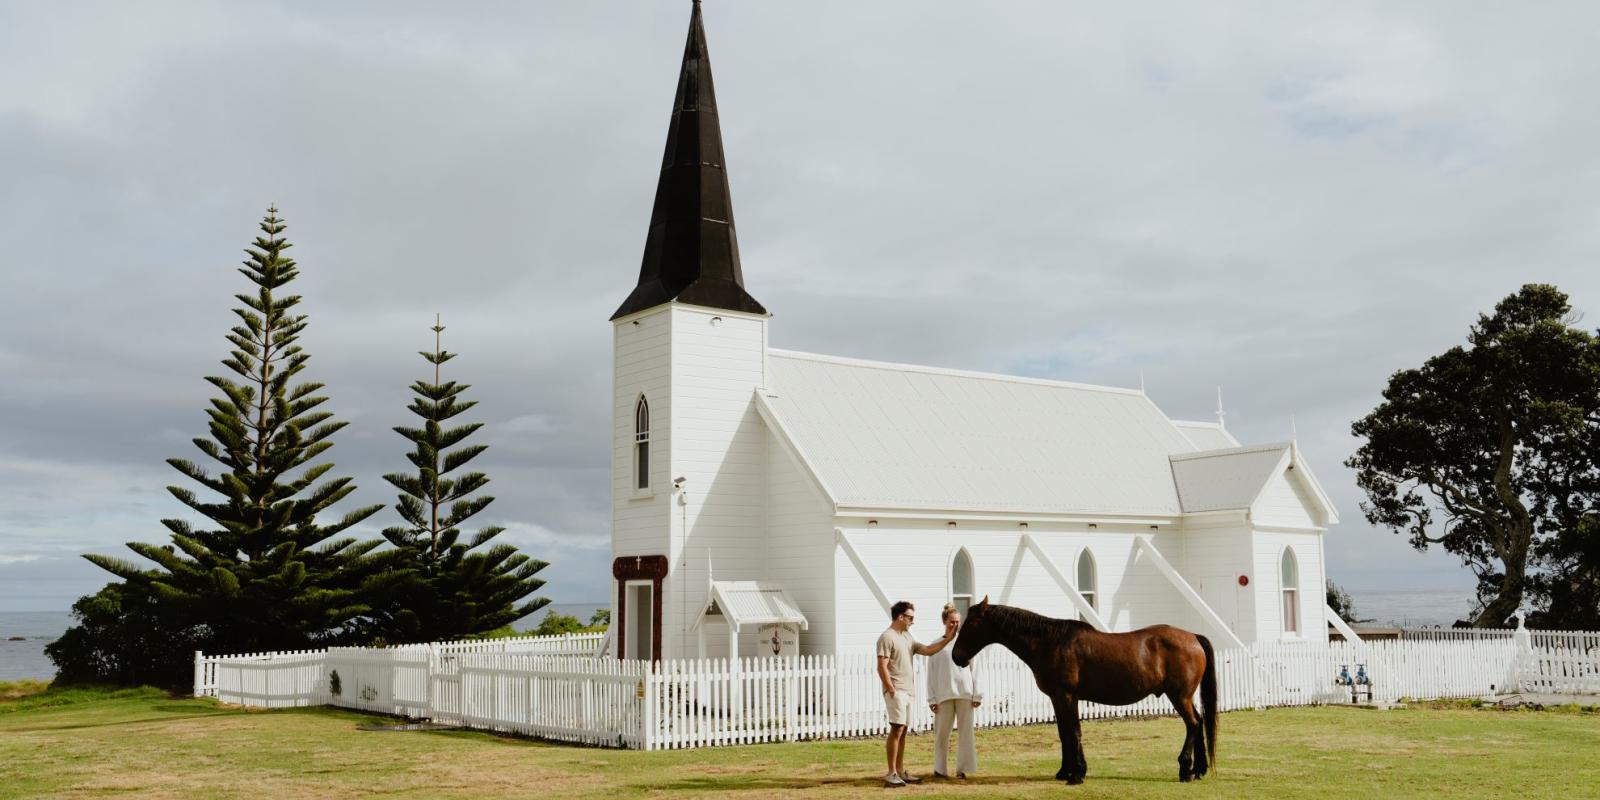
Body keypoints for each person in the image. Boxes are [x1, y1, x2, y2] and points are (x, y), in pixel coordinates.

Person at [876, 600, 951, 788]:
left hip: (908, 691)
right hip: (896, 691)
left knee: (903, 731)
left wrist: (948, 639)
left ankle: (900, 771)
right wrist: (890, 688)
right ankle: (891, 773)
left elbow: (927, 650)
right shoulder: (887, 637)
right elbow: (881, 666)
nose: (912, 621)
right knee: (897, 729)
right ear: (900, 617)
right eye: (910, 618)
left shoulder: (907, 637)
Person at [926, 603, 982, 779]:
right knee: (942, 734)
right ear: (944, 621)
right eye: (952, 622)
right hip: (944, 695)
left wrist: (977, 694)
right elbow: (931, 673)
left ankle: (962, 770)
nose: (955, 625)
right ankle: (940, 769)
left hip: (965, 694)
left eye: (958, 622)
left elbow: (977, 669)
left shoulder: (967, 642)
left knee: (966, 733)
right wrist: (931, 698)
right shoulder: (936, 645)